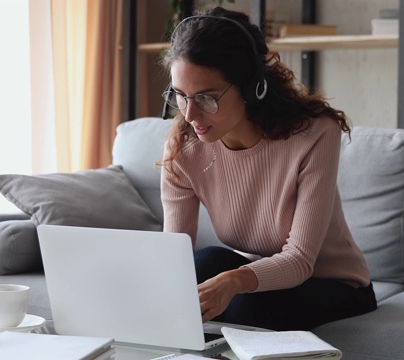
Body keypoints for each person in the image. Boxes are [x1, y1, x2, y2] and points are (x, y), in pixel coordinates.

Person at [159, 6, 377, 331]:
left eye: (206, 98)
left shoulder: (314, 134)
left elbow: (301, 259)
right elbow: (172, 258)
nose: (190, 115)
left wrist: (234, 281)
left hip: (335, 284)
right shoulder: (184, 150)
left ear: (251, 87)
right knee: (202, 265)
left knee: (243, 302)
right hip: (264, 279)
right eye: (181, 96)